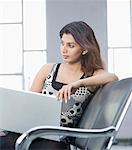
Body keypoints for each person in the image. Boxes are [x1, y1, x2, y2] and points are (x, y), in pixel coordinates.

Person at [0, 21, 118, 150]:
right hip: (33, 131)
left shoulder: (92, 75)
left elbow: (113, 77)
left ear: (84, 49)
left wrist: (78, 83)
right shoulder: (48, 69)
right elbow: (29, 103)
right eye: (62, 43)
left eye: (70, 45)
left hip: (58, 138)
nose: (64, 49)